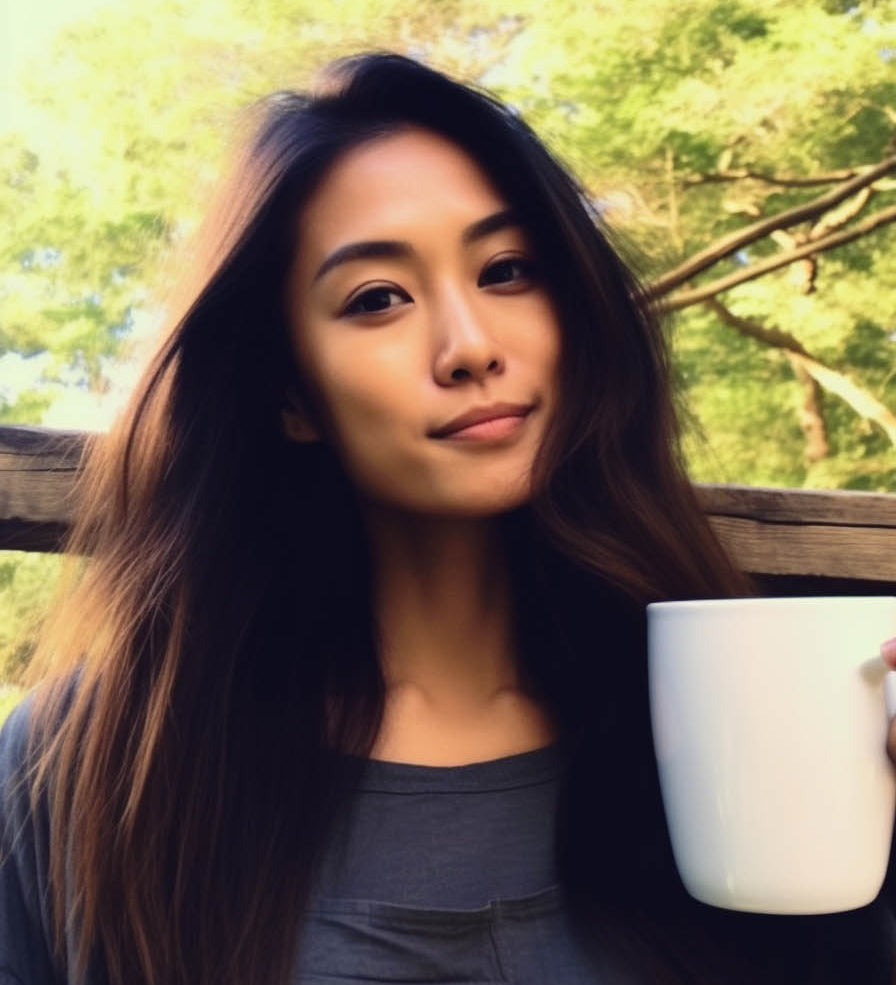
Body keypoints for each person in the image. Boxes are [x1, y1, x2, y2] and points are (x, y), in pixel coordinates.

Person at [1, 51, 894, 985]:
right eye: (377, 298)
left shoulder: (747, 727)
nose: (470, 346)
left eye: (508, 270)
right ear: (290, 394)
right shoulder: (98, 764)